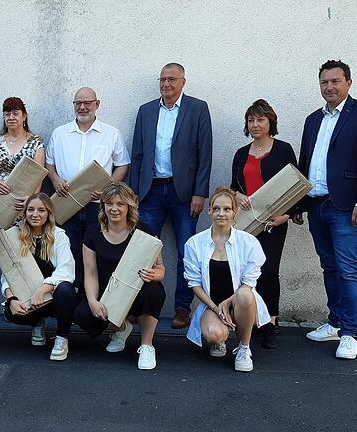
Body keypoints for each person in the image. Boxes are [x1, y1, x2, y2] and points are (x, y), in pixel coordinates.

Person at [294, 60, 357, 360]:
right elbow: (305, 161)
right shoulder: (312, 120)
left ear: (348, 82)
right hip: (317, 205)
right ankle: (334, 323)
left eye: (335, 81)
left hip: (346, 207)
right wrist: (299, 203)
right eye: (325, 82)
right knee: (329, 267)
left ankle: (350, 333)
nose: (329, 87)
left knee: (348, 269)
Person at [128, 63, 213, 329]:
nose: (166, 84)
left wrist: (200, 192)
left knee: (186, 250)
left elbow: (204, 153)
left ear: (183, 82)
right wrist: (134, 192)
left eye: (172, 79)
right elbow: (138, 153)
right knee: (142, 248)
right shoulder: (146, 111)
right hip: (150, 190)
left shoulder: (197, 109)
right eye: (162, 79)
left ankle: (182, 308)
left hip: (184, 193)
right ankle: (137, 305)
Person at [72, 182, 166, 370]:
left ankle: (147, 346)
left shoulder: (145, 231)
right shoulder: (93, 232)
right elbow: (90, 273)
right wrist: (92, 301)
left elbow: (161, 271)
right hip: (106, 294)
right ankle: (121, 328)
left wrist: (153, 274)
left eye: (120, 204)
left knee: (153, 291)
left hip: (136, 291)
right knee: (81, 315)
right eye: (109, 204)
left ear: (129, 206)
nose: (114, 209)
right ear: (103, 206)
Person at [45, 87, 130, 291]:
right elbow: (49, 164)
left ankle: (91, 300)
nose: (82, 107)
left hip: (97, 205)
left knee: (96, 252)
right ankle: (70, 299)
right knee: (68, 252)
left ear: (97, 104)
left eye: (87, 103)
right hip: (66, 205)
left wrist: (108, 188)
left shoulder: (111, 133)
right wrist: (55, 180)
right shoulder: (60, 133)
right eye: (78, 103)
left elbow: (123, 164)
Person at [230, 99, 298, 349]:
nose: (255, 124)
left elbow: (296, 187)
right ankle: (252, 321)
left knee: (268, 271)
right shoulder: (241, 153)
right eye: (251, 120)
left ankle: (271, 322)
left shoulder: (283, 150)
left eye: (260, 120)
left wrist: (286, 216)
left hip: (273, 222)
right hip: (247, 223)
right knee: (247, 271)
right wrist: (237, 196)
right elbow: (234, 186)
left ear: (271, 122)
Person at [183, 187, 269, 372]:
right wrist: (216, 308)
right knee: (214, 334)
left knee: (245, 294)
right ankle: (219, 341)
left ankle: (244, 348)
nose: (221, 213)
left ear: (234, 211)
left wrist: (228, 303)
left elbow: (249, 282)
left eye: (227, 209)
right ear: (209, 211)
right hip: (211, 304)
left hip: (240, 302)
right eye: (216, 209)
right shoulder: (194, 243)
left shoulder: (248, 242)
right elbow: (194, 283)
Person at [2, 193, 77, 361]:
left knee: (66, 289)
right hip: (28, 297)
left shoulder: (59, 235)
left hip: (53, 296)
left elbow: (67, 270)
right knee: (11, 312)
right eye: (30, 209)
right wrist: (11, 299)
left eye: (41, 210)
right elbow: (8, 273)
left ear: (49, 213)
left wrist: (42, 290)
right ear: (24, 213)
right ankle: (37, 323)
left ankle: (61, 338)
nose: (35, 214)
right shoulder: (15, 236)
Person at [0, 97, 45, 227]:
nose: (11, 117)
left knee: (24, 242)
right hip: (1, 201)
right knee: (1, 242)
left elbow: (39, 176)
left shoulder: (35, 142)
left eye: (15, 113)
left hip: (24, 202)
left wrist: (31, 200)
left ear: (24, 116)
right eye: (7, 114)